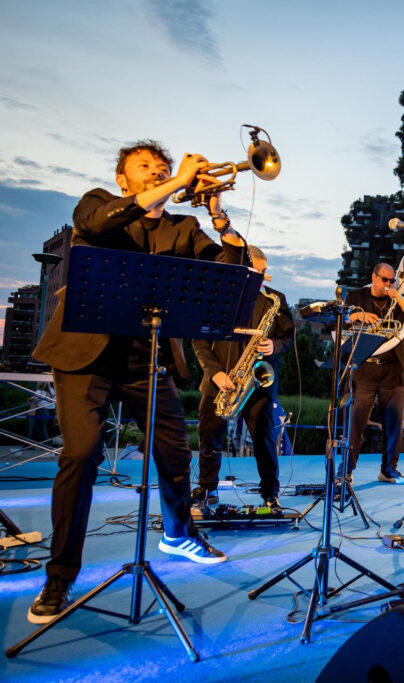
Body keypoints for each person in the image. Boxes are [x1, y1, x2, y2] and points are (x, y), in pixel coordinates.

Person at [28, 141, 241, 623]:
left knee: (174, 451)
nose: (158, 172)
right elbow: (97, 226)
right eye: (145, 167)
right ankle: (59, 577)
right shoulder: (97, 203)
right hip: (86, 354)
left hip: (147, 358)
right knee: (81, 455)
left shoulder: (184, 228)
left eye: (164, 168)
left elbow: (228, 275)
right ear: (124, 180)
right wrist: (174, 182)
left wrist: (219, 216)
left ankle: (178, 534)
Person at [192, 246, 294, 509]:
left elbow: (288, 338)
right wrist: (215, 373)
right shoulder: (215, 297)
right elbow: (199, 340)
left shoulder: (276, 300)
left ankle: (270, 494)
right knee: (209, 440)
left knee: (265, 442)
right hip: (220, 382)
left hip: (258, 384)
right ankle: (207, 489)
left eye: (265, 271)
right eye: (258, 271)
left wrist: (275, 345)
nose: (264, 276)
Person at [342, 263, 404, 484]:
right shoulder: (356, 296)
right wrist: (357, 316)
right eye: (384, 280)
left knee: (394, 424)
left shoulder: (398, 301)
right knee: (356, 423)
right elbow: (340, 322)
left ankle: (389, 469)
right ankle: (346, 470)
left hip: (392, 370)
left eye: (392, 281)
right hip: (364, 368)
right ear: (373, 277)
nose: (389, 285)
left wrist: (399, 298)